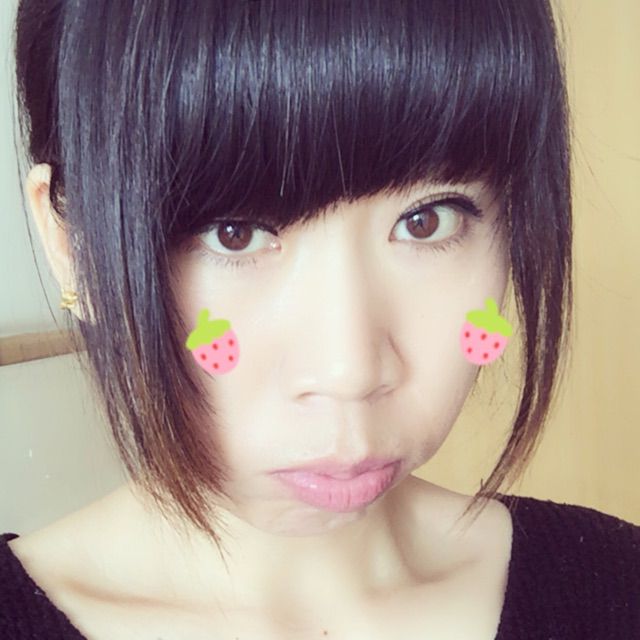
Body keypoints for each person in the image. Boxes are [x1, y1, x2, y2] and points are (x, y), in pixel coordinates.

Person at [1, 1, 638, 638]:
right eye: (234, 233)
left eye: (426, 221)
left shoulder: (615, 587)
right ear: (70, 244)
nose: (350, 372)